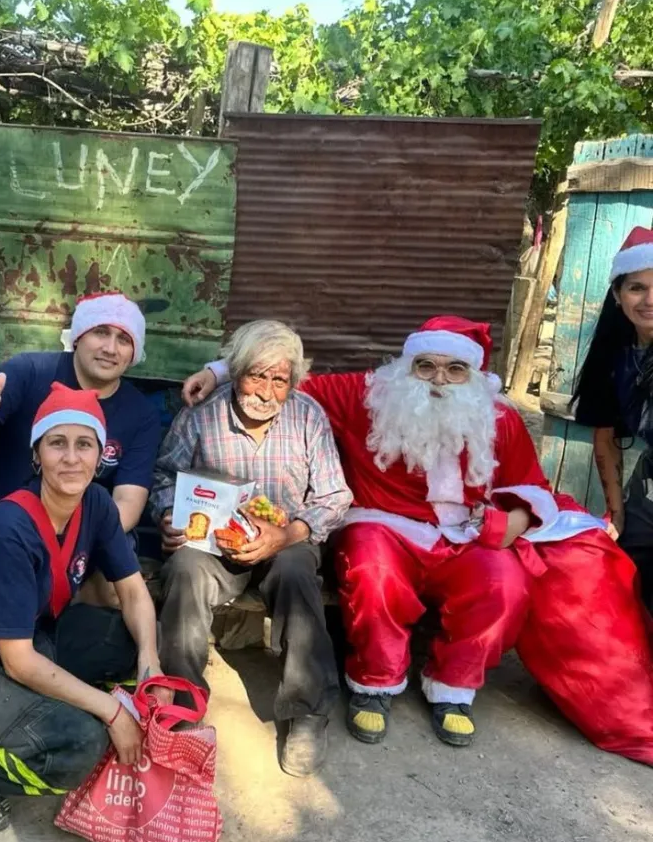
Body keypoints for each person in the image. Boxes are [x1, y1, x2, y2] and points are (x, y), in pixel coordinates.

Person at [183, 316, 653, 763]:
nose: (439, 379)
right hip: (383, 525)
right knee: (370, 566)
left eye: (455, 369)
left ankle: (453, 685)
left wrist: (505, 525)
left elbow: (528, 489)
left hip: (464, 538)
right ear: (407, 367)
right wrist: (219, 370)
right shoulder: (370, 395)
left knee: (506, 582)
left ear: (474, 372)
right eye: (426, 366)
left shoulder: (499, 419)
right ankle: (373, 680)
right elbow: (285, 373)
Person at [0, 382, 164, 834]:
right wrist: (111, 712)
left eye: (84, 444)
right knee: (77, 745)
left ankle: (59, 707)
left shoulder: (97, 504)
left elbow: (131, 590)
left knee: (130, 644)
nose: (71, 458)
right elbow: (18, 660)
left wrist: (151, 662)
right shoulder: (11, 527)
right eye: (57, 444)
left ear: (101, 454)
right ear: (36, 454)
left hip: (36, 637)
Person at [151, 321, 352, 777]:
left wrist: (289, 533)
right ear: (234, 373)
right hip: (212, 544)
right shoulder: (202, 415)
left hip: (285, 542)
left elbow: (334, 496)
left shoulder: (308, 416)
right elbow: (163, 478)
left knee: (298, 573)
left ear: (292, 382)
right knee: (183, 569)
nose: (265, 390)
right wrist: (167, 515)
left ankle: (305, 711)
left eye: (278, 379)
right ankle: (183, 704)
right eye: (255, 375)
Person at [0, 291, 161, 606]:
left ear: (134, 352)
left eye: (124, 339)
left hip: (83, 533)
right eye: (100, 332)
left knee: (121, 592)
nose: (110, 348)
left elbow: (127, 504)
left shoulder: (139, 413)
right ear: (77, 337)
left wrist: (63, 542)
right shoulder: (30, 370)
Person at [574, 225, 653, 607]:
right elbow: (605, 437)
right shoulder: (614, 357)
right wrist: (616, 514)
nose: (649, 300)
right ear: (618, 295)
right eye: (637, 287)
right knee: (632, 579)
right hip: (650, 487)